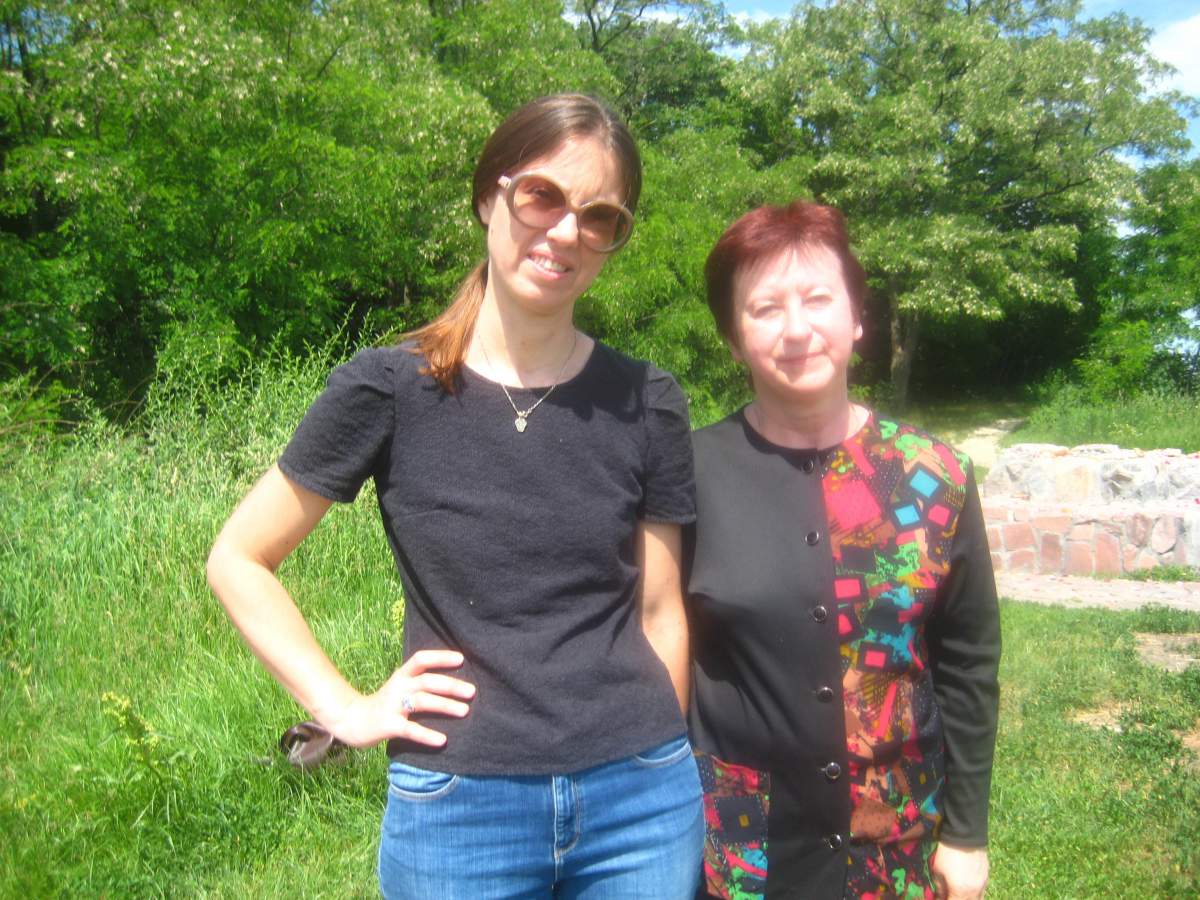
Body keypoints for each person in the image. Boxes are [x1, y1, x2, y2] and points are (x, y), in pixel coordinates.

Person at [207, 94, 703, 899]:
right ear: (488, 197)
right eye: (542, 195)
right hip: (460, 805)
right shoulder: (389, 388)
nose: (565, 231)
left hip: (641, 803)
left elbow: (661, 611)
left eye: (599, 217)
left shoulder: (647, 400)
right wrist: (344, 709)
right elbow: (238, 559)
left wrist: (663, 750)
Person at [686, 201, 1001, 900]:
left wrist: (966, 833)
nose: (797, 328)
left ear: (858, 318)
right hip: (741, 850)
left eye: (818, 299)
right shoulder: (689, 474)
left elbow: (968, 665)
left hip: (897, 844)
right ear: (733, 338)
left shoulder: (935, 476)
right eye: (765, 308)